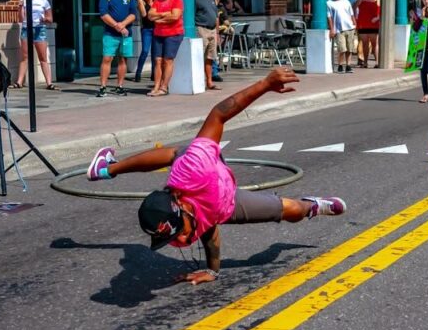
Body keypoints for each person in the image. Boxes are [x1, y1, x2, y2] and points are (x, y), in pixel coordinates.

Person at [86, 67, 346, 285]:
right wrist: (212, 270)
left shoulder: (194, 169)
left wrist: (266, 84)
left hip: (210, 173)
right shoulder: (183, 218)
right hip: (224, 200)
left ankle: (107, 169)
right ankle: (313, 207)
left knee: (184, 152)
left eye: (177, 233)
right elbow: (206, 227)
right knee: (287, 209)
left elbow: (219, 114)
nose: (178, 241)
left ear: (182, 208)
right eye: (170, 238)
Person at [15, 0, 58, 90]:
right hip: (26, 29)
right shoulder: (24, 0)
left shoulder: (44, 2)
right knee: (24, 57)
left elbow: (50, 19)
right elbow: (20, 18)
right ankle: (19, 82)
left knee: (42, 57)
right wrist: (20, 7)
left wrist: (44, 19)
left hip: (39, 29)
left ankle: (49, 82)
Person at [97, 0, 135, 97]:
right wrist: (117, 26)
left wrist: (123, 25)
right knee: (107, 58)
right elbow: (103, 14)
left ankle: (120, 86)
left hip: (126, 34)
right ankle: (103, 86)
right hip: (110, 33)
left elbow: (133, 14)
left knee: (123, 60)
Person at [147, 0, 184, 97]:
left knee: (168, 60)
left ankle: (164, 87)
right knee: (157, 61)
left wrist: (159, 19)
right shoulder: (158, 1)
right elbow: (150, 16)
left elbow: (175, 17)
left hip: (173, 34)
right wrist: (165, 14)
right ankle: (156, 86)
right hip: (158, 34)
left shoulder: (177, 0)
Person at [193, 0, 222, 90]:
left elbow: (216, 17)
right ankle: (199, 82)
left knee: (210, 57)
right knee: (200, 57)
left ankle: (209, 82)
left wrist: (217, 32)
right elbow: (192, 15)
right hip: (202, 29)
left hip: (212, 30)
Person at [327, 0, 358, 73]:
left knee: (349, 48)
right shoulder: (329, 3)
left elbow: (351, 14)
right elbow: (329, 17)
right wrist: (332, 29)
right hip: (339, 29)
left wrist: (354, 24)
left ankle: (348, 65)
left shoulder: (346, 1)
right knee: (342, 49)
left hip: (350, 27)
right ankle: (340, 65)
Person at [134, 0, 157, 83]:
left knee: (155, 53)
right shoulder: (141, 2)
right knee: (145, 51)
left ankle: (153, 74)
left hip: (156, 29)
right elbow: (144, 14)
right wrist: (139, 1)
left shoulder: (157, 2)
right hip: (146, 29)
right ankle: (138, 73)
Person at [354, 0, 381, 68]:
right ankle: (365, 62)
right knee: (364, 44)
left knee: (375, 44)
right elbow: (353, 8)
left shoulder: (378, 1)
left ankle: (377, 62)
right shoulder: (361, 0)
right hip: (362, 25)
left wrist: (377, 18)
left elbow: (382, 12)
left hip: (374, 25)